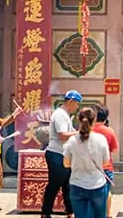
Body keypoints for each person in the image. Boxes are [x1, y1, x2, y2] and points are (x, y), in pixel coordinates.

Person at [41, 90, 82, 218]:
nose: (77, 107)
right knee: (54, 184)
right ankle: (45, 212)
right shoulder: (60, 115)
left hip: (63, 154)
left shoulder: (65, 115)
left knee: (67, 185)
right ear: (70, 101)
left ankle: (70, 212)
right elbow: (63, 135)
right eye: (76, 104)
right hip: (56, 154)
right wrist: (79, 132)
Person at [63, 106, 111, 218]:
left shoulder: (72, 141)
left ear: (79, 120)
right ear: (94, 120)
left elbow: (66, 163)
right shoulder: (101, 139)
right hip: (97, 185)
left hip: (77, 184)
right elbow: (105, 162)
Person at [93, 104, 119, 218]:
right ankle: (108, 214)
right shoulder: (109, 131)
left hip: (90, 167)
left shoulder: (87, 130)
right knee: (107, 192)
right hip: (106, 167)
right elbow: (114, 149)